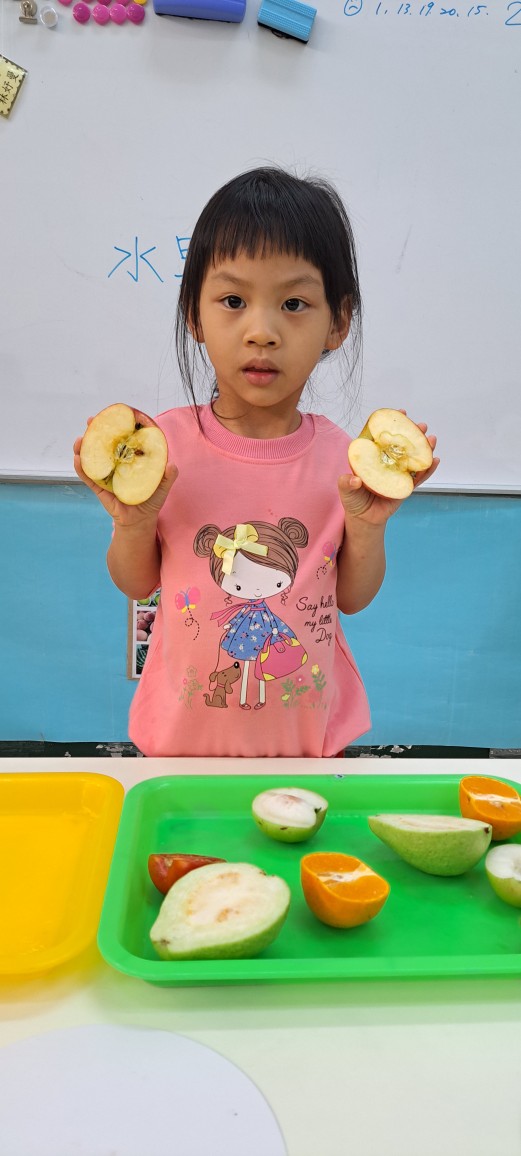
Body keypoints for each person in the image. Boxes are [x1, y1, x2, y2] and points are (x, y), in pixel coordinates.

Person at [74, 166, 438, 757]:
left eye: (294, 303)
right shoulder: (162, 447)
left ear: (338, 322)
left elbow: (351, 597)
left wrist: (369, 529)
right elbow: (136, 582)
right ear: (194, 315)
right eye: (233, 300)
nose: (261, 331)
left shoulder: (342, 458)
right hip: (181, 750)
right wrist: (133, 523)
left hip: (308, 750)